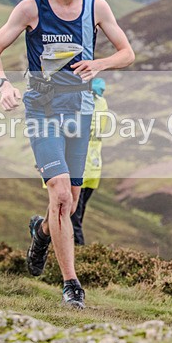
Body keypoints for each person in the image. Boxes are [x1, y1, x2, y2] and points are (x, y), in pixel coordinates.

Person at [0, 0, 134, 309]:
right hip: (43, 109)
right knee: (62, 194)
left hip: (80, 109)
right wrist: (3, 86)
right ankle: (71, 285)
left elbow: (127, 53)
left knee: (67, 203)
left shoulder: (97, 8)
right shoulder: (30, 9)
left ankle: (41, 230)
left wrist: (100, 62)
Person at [70, 77, 109, 245]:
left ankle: (80, 260)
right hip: (93, 168)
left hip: (79, 169)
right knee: (75, 217)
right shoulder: (102, 103)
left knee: (72, 218)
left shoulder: (76, 103)